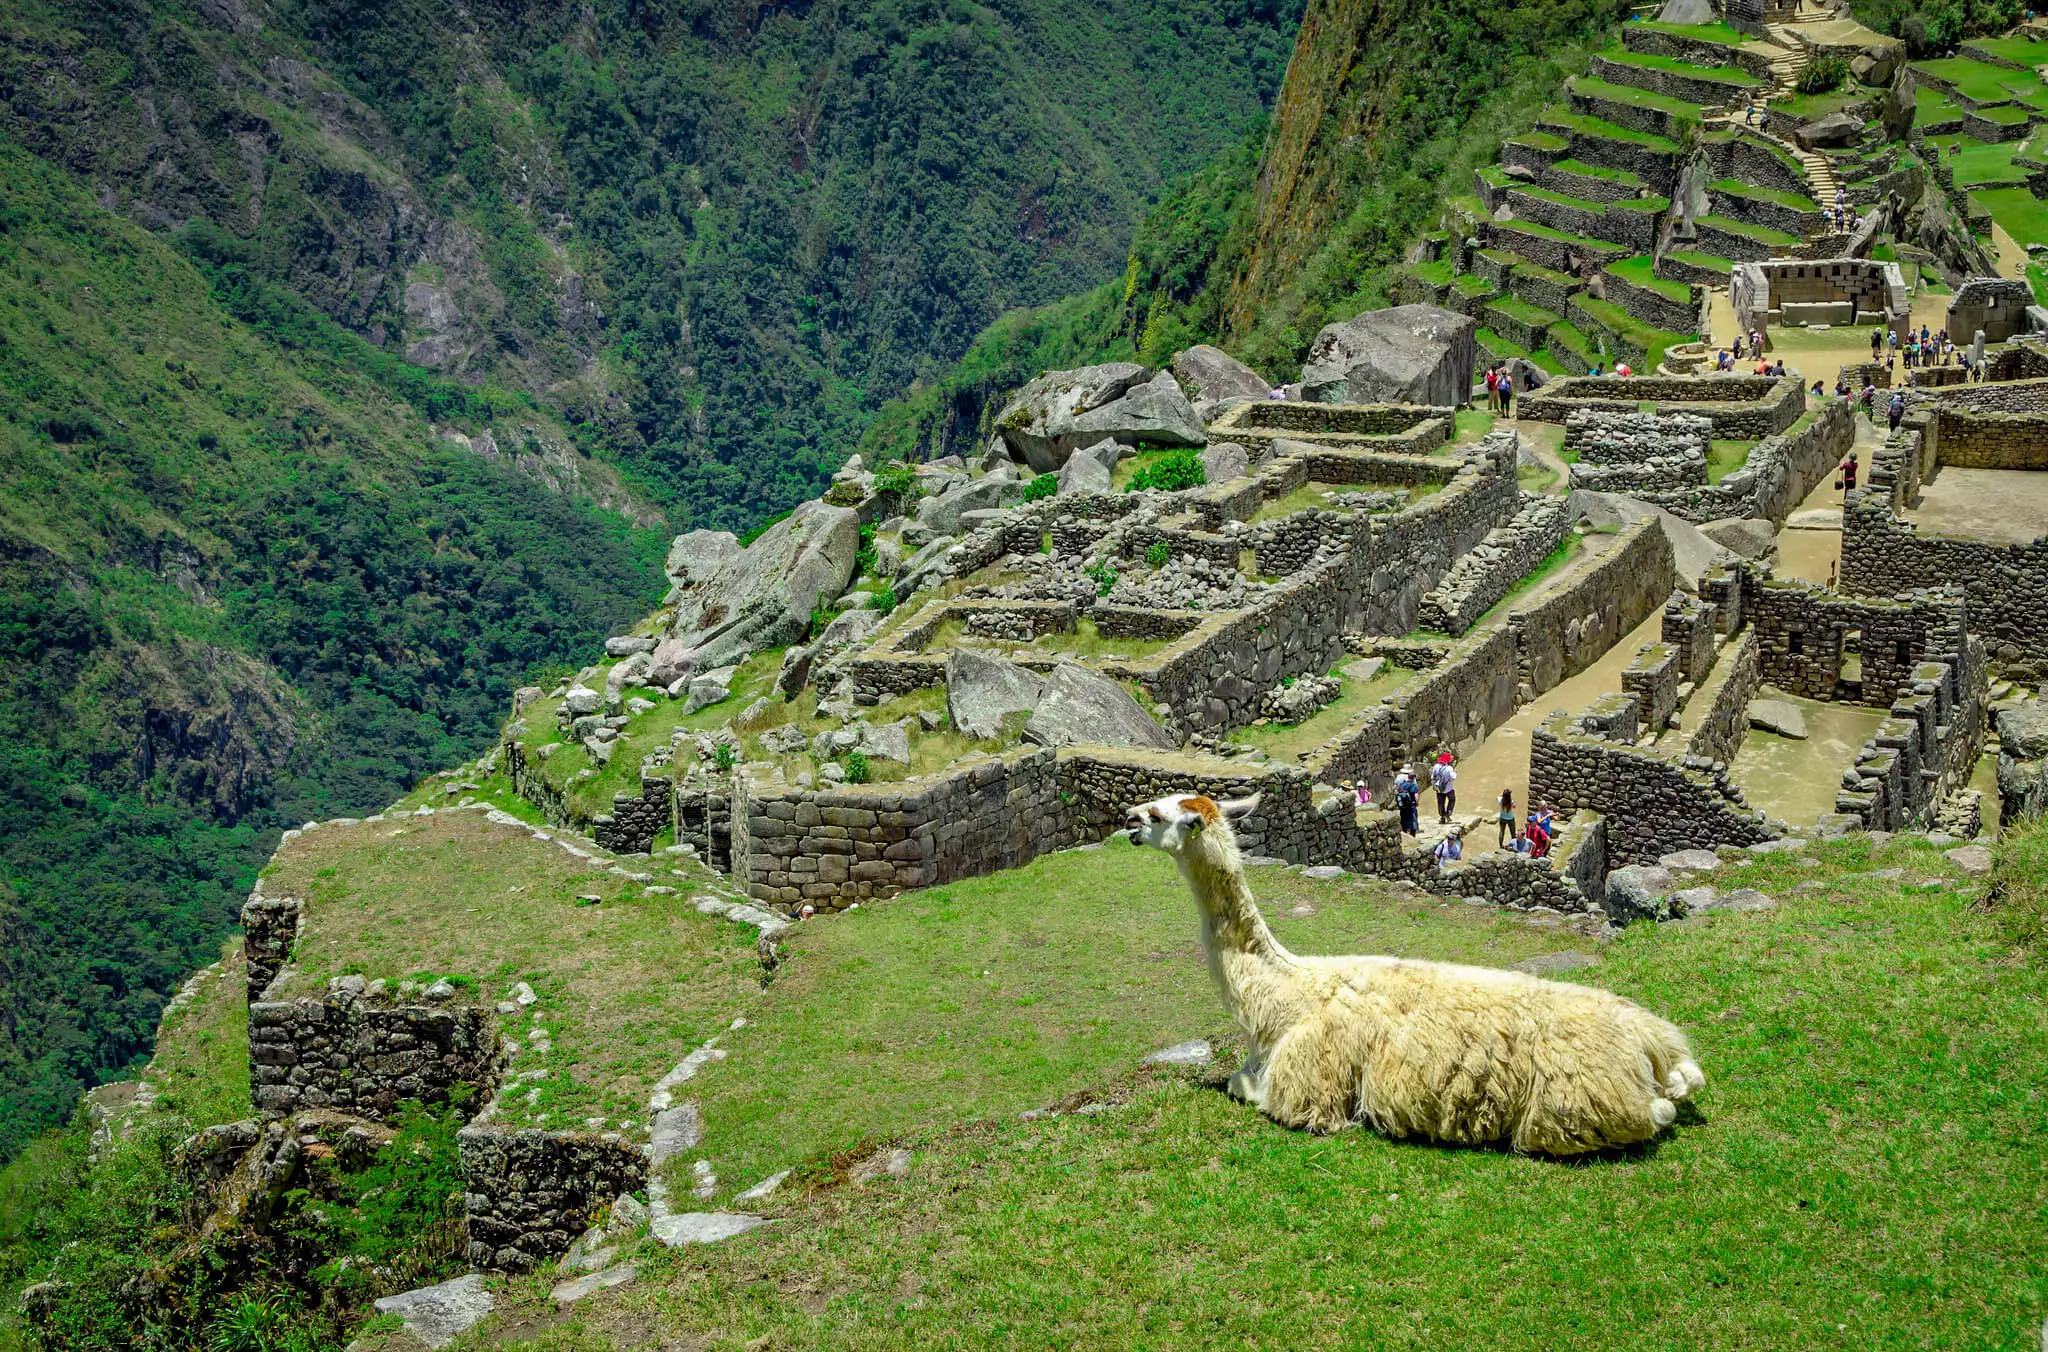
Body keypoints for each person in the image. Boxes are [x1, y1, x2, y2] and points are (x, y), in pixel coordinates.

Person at [1431, 753, 1458, 825]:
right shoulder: (1449, 768)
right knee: (1452, 799)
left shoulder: (1436, 766)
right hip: (1448, 788)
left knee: (1440, 802)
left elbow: (1432, 777)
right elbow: (1453, 777)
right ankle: (1448, 813)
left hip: (1438, 787)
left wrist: (1434, 785)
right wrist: (1455, 773)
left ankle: (1442, 816)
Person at [1394, 765, 1420, 836]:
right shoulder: (1414, 785)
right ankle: (1412, 834)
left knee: (1403, 819)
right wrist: (1417, 803)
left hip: (1402, 806)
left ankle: (1404, 832)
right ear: (1413, 778)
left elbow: (1396, 790)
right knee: (1413, 819)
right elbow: (1416, 796)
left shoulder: (1401, 783)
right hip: (1411, 805)